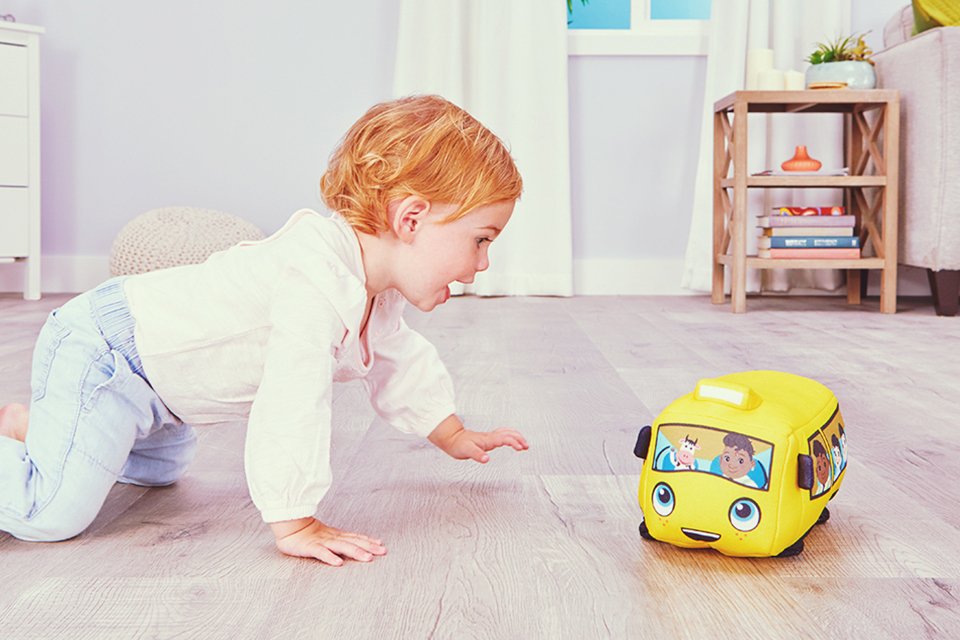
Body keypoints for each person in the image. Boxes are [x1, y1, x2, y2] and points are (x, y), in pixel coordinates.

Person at [0, 95, 529, 566]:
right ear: (410, 219)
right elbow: (292, 403)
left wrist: (450, 431)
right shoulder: (312, 281)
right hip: (107, 353)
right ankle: (55, 434)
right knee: (51, 513)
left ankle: (42, 427)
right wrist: (294, 517)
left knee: (157, 474)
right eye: (481, 239)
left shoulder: (373, 288)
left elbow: (399, 357)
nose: (482, 263)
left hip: (163, 392)